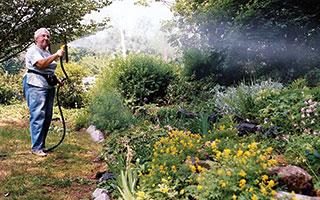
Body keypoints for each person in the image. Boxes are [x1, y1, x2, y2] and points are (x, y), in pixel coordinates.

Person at [23, 28, 65, 157]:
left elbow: (48, 69)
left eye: (48, 36)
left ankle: (41, 144)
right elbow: (40, 64)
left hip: (47, 85)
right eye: (43, 36)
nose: (46, 38)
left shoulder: (46, 52)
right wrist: (56, 55)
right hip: (35, 85)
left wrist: (57, 79)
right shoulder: (33, 51)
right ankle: (36, 147)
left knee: (47, 116)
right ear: (36, 39)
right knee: (37, 115)